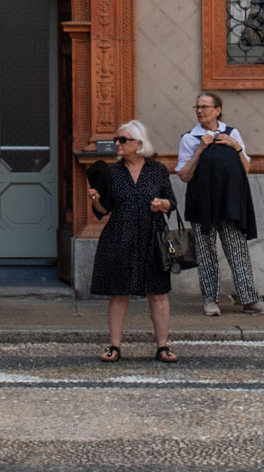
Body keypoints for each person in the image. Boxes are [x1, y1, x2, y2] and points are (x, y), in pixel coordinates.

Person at [87, 119, 180, 363]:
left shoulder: (157, 170)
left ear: (138, 144)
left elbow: (172, 202)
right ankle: (114, 346)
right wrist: (95, 199)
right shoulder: (112, 172)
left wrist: (161, 205)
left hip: (152, 237)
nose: (117, 144)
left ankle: (163, 346)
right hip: (120, 235)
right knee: (118, 293)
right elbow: (102, 210)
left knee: (158, 293)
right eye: (116, 140)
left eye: (122, 140)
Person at [175, 92, 264, 316]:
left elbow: (246, 168)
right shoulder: (190, 137)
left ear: (217, 110)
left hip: (230, 203)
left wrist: (235, 146)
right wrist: (200, 148)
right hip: (202, 204)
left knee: (238, 251)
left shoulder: (232, 132)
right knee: (206, 253)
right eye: (197, 107)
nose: (200, 111)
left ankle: (250, 300)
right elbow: (184, 175)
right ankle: (210, 300)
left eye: (205, 107)